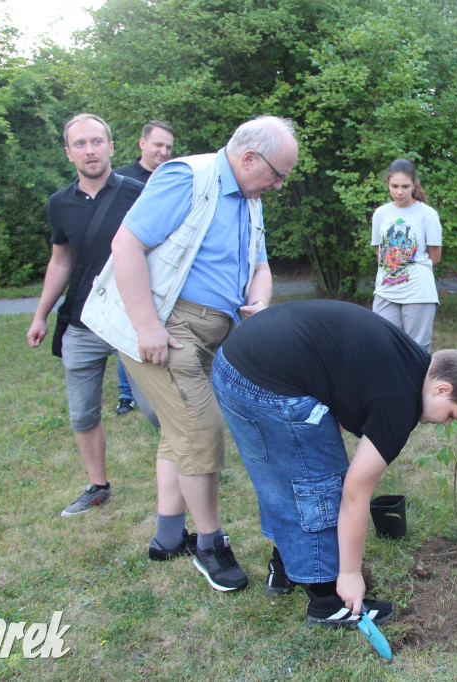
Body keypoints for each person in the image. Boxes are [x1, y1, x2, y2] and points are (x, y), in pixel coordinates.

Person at [103, 115, 298, 592]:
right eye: (277, 174)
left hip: (218, 331)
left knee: (179, 431)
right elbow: (125, 244)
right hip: (169, 326)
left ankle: (169, 537)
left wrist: (262, 296)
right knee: (202, 431)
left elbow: (261, 262)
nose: (277, 185)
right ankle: (209, 543)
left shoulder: (249, 199)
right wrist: (146, 325)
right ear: (249, 157)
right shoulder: (186, 177)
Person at [211, 299, 457, 625]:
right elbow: (354, 494)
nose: (446, 424)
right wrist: (350, 573)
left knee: (285, 476)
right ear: (443, 389)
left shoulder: (412, 360)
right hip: (262, 383)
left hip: (234, 361)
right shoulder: (399, 404)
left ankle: (286, 570)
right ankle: (328, 603)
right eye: (451, 416)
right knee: (319, 484)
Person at [25, 113, 150, 517]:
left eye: (96, 141)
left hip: (134, 320)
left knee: (158, 409)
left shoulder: (140, 192)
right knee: (82, 412)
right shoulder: (59, 204)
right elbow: (60, 261)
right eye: (80, 144)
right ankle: (98, 486)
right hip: (81, 323)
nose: (89, 150)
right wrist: (41, 315)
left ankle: (186, 475)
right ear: (68, 153)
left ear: (112, 147)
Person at [113, 120, 176, 416]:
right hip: (130, 263)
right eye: (158, 145)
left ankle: (158, 390)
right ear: (142, 143)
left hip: (163, 269)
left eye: (168, 147)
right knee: (128, 327)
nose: (163, 151)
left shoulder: (175, 178)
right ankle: (126, 394)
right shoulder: (122, 180)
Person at [370, 158, 443, 352]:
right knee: (381, 345)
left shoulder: (427, 214)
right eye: (394, 186)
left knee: (415, 350)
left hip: (418, 292)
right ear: (387, 183)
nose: (399, 192)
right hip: (386, 291)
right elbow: (380, 251)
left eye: (405, 186)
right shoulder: (380, 214)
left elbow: (434, 257)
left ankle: (417, 383)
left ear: (413, 184)